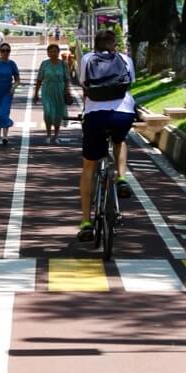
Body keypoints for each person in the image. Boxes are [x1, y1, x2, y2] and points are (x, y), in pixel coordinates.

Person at [77, 26, 136, 234]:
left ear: (95, 44)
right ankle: (121, 178)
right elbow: (130, 83)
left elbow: (84, 84)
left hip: (95, 115)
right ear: (114, 44)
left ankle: (85, 222)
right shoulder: (125, 59)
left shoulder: (87, 59)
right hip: (123, 114)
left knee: (89, 166)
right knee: (120, 141)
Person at [34, 40, 72, 142]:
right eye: (51, 52)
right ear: (48, 53)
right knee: (48, 113)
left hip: (60, 90)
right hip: (47, 90)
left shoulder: (63, 64)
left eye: (55, 51)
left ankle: (56, 135)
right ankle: (48, 134)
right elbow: (39, 79)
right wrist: (36, 93)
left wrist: (67, 90)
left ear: (58, 52)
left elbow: (67, 79)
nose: (53, 53)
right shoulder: (44, 64)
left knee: (58, 114)